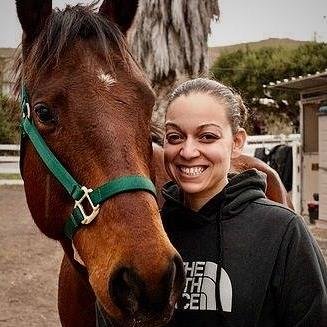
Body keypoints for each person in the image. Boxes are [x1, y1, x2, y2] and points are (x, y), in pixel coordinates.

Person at [161, 78, 327, 326]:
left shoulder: (283, 230)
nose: (187, 151)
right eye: (174, 137)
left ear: (237, 142)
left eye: (207, 136)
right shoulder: (151, 231)